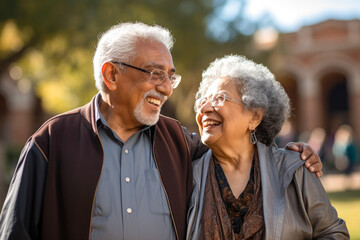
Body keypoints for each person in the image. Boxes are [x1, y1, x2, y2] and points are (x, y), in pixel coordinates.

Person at [0, 23, 321, 240]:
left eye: (171, 76)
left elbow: (237, 145)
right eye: (155, 73)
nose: (166, 88)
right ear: (111, 74)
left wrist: (292, 153)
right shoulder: (52, 141)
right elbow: (15, 232)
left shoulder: (180, 141)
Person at [187, 55, 349, 239]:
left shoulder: (295, 169)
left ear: (255, 117)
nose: (205, 108)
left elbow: (333, 232)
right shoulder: (188, 176)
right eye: (202, 101)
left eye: (219, 98)